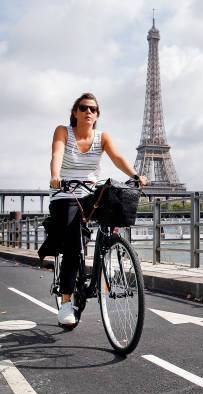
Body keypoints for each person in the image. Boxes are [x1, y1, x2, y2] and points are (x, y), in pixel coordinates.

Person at [48, 92, 148, 326]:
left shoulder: (102, 137)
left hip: (90, 193)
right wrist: (55, 176)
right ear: (75, 112)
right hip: (66, 192)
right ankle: (65, 300)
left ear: (97, 115)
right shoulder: (63, 131)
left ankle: (110, 256)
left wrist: (135, 176)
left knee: (115, 207)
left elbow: (118, 157)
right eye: (83, 108)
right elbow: (57, 154)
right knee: (73, 241)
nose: (88, 112)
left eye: (93, 109)